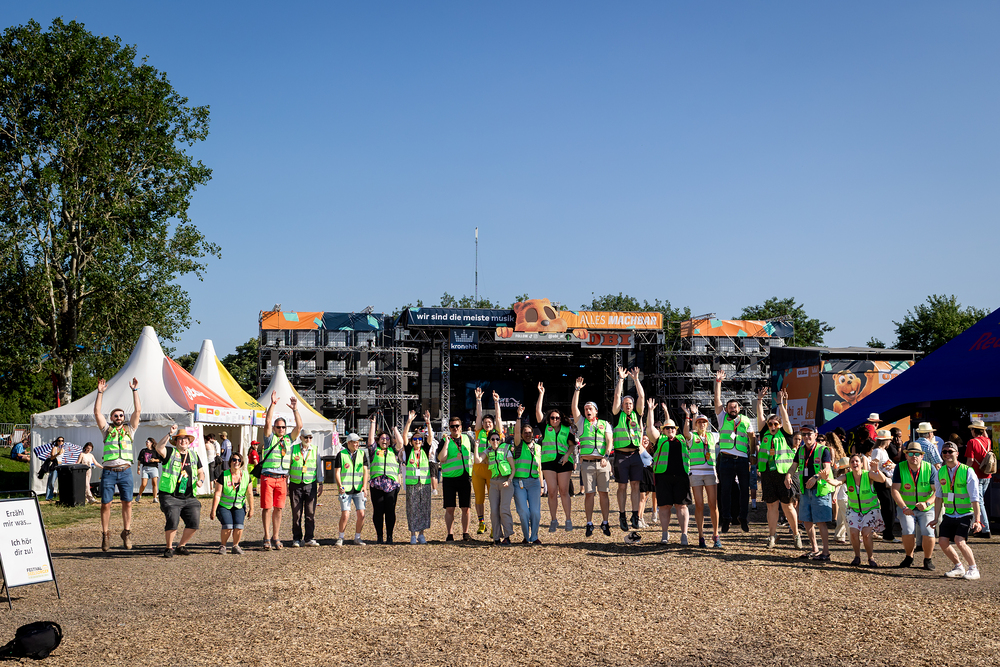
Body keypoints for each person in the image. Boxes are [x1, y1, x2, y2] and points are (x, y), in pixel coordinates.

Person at [94, 377, 141, 552]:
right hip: (109, 471)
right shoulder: (107, 430)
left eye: (121, 415)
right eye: (116, 415)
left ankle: (126, 533)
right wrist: (100, 393)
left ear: (124, 418)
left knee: (127, 503)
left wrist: (134, 391)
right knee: (106, 504)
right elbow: (97, 413)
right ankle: (105, 534)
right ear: (111, 418)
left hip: (125, 471)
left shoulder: (130, 429)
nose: (119, 417)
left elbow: (138, 410)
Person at [754, 388, 801, 550]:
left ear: (780, 425)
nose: (772, 426)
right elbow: (760, 417)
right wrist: (759, 400)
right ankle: (772, 536)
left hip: (784, 474)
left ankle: (796, 535)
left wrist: (781, 404)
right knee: (771, 506)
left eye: (775, 424)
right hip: (768, 474)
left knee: (788, 506)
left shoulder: (786, 434)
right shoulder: (765, 433)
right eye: (770, 424)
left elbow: (786, 421)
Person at [258, 391, 303, 550]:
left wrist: (295, 409)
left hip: (283, 479)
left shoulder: (289, 439)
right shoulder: (270, 438)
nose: (281, 429)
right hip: (268, 477)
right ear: (274, 428)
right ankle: (266, 536)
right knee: (267, 508)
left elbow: (299, 426)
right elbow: (268, 420)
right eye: (279, 427)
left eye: (283, 427)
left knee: (279, 508)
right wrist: (273, 404)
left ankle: (276, 536)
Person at [932, 441, 982, 579]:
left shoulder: (967, 471)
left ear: (957, 454)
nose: (947, 454)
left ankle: (973, 569)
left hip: (965, 513)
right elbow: (938, 497)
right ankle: (958, 566)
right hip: (949, 514)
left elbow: (975, 498)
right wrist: (936, 518)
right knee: (942, 542)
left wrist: (978, 520)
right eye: (944, 452)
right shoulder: (940, 472)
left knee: (959, 541)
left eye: (950, 451)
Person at [713, 371, 755, 534]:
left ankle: (743, 517)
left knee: (744, 490)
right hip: (726, 459)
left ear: (739, 408)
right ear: (726, 409)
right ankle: (726, 518)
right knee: (725, 490)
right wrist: (718, 382)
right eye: (730, 407)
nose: (732, 409)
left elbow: (752, 438)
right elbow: (717, 400)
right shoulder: (722, 418)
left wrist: (753, 455)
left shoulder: (745, 420)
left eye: (735, 407)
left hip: (742, 459)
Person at [154, 426, 205, 558]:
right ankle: (168, 547)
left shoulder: (193, 455)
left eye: (186, 439)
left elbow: (201, 472)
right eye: (180, 439)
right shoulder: (170, 452)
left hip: (189, 496)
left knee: (194, 523)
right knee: (173, 521)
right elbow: (159, 448)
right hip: (170, 495)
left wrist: (201, 480)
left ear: (189, 441)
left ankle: (181, 546)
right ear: (176, 442)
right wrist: (169, 434)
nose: (183, 441)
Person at [646, 400, 690, 545]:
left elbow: (689, 431)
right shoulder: (659, 439)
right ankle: (665, 533)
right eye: (667, 428)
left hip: (681, 477)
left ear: (676, 430)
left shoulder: (682, 439)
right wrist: (650, 411)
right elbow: (649, 428)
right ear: (663, 430)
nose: (670, 429)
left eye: (672, 428)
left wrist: (688, 416)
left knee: (681, 506)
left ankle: (684, 534)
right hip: (663, 477)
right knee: (664, 506)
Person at [572, 378, 613, 538]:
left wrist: (606, 456)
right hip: (587, 464)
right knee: (589, 494)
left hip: (602, 462)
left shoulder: (604, 424)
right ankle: (589, 523)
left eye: (590, 408)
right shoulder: (581, 423)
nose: (587, 411)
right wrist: (577, 390)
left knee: (604, 493)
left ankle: (605, 522)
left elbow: (609, 441)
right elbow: (574, 408)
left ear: (596, 411)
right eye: (585, 409)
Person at [788, 424, 834, 561]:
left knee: (821, 522)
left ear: (815, 435)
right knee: (807, 521)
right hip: (805, 490)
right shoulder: (801, 450)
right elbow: (793, 466)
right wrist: (788, 475)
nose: (806, 437)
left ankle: (826, 552)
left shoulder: (823, 450)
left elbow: (827, 469)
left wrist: (816, 477)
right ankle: (814, 549)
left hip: (820, 490)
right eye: (804, 434)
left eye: (809, 434)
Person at [891, 442, 937, 570]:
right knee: (907, 530)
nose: (914, 456)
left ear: (922, 456)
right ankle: (909, 557)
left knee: (928, 532)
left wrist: (927, 503)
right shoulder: (900, 467)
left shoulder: (930, 468)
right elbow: (895, 490)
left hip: (926, 508)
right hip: (906, 508)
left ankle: (928, 559)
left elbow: (937, 491)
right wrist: (904, 507)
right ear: (906, 455)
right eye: (910, 454)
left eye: (917, 454)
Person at [538, 381, 577, 532]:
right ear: (549, 419)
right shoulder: (545, 428)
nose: (555, 420)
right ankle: (553, 519)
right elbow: (538, 412)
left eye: (557, 418)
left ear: (561, 418)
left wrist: (567, 455)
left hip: (564, 462)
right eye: (552, 418)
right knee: (552, 491)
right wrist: (541, 394)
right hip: (548, 462)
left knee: (564, 491)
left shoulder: (567, 429)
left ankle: (568, 519)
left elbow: (572, 445)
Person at [611, 367, 646, 531]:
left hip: (635, 455)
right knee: (622, 486)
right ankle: (622, 515)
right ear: (622, 405)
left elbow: (642, 396)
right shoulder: (618, 415)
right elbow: (616, 396)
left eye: (630, 403)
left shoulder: (637, 414)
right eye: (625, 404)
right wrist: (621, 379)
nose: (628, 406)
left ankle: (635, 515)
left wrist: (636, 379)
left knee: (636, 485)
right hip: (621, 456)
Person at [681, 404, 720, 548]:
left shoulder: (713, 436)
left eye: (704, 422)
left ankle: (716, 535)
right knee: (699, 505)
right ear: (696, 424)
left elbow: (724, 431)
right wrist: (688, 416)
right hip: (696, 473)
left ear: (707, 424)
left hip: (710, 472)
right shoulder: (693, 436)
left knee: (713, 504)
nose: (702, 424)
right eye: (699, 422)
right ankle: (701, 536)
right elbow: (686, 432)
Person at [838, 453, 885, 567]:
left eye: (857, 461)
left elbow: (882, 479)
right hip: (854, 509)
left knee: (866, 534)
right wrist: (826, 478)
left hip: (870, 509)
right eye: (852, 461)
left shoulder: (868, 474)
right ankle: (857, 556)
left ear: (861, 464)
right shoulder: (847, 476)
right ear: (850, 465)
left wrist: (877, 470)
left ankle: (870, 558)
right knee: (853, 533)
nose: (855, 463)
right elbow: (836, 481)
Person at [367, 414, 403, 544]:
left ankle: (389, 536)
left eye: (387, 439)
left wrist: (395, 430)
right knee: (378, 511)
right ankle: (379, 536)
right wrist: (373, 423)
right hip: (376, 484)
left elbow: (401, 443)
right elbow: (370, 441)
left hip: (391, 485)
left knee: (390, 511)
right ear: (378, 441)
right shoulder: (374, 450)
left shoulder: (394, 450)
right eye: (382, 438)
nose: (385, 441)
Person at [438, 415, 475, 541]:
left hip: (465, 477)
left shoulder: (468, 438)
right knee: (450, 508)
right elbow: (441, 458)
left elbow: (477, 452)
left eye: (457, 426)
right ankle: (450, 534)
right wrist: (446, 443)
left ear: (461, 427)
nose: (455, 428)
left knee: (466, 508)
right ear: (449, 428)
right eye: (452, 426)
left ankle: (466, 533)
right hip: (449, 478)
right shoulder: (445, 440)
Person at [472, 388, 504, 535]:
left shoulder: (496, 434)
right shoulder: (479, 432)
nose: (487, 424)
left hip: (492, 471)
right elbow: (479, 415)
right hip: (479, 470)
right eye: (485, 422)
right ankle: (481, 523)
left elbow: (499, 418)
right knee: (479, 498)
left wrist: (497, 402)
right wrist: (478, 400)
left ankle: (494, 526)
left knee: (494, 500)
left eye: (489, 422)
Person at [478, 426, 515, 545]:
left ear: (500, 440)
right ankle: (496, 537)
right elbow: (478, 460)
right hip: (493, 482)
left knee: (504, 510)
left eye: (497, 439)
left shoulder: (506, 450)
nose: (495, 441)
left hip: (506, 482)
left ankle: (507, 536)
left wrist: (509, 480)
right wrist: (476, 446)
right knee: (494, 511)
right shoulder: (488, 451)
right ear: (489, 441)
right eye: (493, 439)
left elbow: (513, 468)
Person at [210, 452, 253, 554]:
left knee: (239, 526)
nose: (236, 462)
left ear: (241, 462)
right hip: (224, 505)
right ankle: (223, 546)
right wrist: (213, 510)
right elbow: (217, 494)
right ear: (230, 462)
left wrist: (252, 509)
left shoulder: (246, 476)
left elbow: (249, 494)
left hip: (239, 505)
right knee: (228, 526)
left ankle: (235, 546)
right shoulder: (224, 475)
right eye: (234, 460)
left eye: (239, 460)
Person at [511, 407, 543, 545]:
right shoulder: (518, 445)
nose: (527, 435)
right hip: (519, 483)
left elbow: (540, 468)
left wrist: (542, 485)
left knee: (535, 512)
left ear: (533, 434)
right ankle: (526, 536)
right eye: (525, 433)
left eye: (530, 432)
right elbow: (516, 433)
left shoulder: (538, 448)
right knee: (523, 512)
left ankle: (534, 536)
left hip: (534, 483)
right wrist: (519, 416)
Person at [288, 428, 322, 547]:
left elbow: (319, 467)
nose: (308, 439)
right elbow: (288, 466)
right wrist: (287, 483)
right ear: (301, 438)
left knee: (310, 513)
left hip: (310, 484)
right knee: (296, 513)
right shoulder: (293, 449)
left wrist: (321, 483)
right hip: (295, 484)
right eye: (306, 437)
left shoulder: (315, 450)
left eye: (310, 437)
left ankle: (309, 538)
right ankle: (296, 538)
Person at [403, 411, 433, 544]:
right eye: (415, 439)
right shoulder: (409, 450)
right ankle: (413, 534)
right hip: (412, 484)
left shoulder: (425, 450)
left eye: (419, 439)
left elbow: (430, 437)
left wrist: (428, 422)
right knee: (412, 509)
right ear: (412, 441)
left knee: (424, 508)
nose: (417, 441)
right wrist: (409, 422)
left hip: (424, 483)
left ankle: (422, 533)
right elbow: (404, 436)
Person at [335, 433, 369, 545]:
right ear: (349, 443)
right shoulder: (341, 454)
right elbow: (337, 472)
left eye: (358, 442)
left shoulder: (362, 454)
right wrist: (340, 485)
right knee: (345, 514)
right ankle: (341, 537)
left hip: (359, 488)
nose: (357, 444)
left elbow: (365, 471)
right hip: (346, 489)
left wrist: (364, 486)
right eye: (355, 442)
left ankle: (357, 537)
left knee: (361, 514)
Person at [965, 419, 993, 539]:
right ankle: (979, 527)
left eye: (971, 429)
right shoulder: (988, 441)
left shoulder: (971, 442)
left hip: (976, 475)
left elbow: (970, 460)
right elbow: (986, 437)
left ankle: (985, 529)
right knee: (979, 501)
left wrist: (964, 472)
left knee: (978, 502)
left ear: (973, 430)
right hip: (987, 474)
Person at [870, 430, 897, 543]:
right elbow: (874, 466)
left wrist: (892, 466)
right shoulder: (877, 451)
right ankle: (888, 534)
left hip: (886, 479)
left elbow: (886, 464)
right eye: (889, 439)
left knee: (890, 507)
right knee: (888, 507)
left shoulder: (883, 451)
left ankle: (888, 533)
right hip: (881, 480)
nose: (890, 441)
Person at [136, 437, 161, 503]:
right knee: (144, 484)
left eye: (148, 442)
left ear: (151, 443)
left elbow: (160, 460)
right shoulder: (143, 451)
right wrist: (138, 468)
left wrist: (154, 460)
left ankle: (155, 498)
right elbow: (139, 460)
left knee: (154, 483)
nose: (146, 443)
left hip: (154, 468)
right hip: (145, 468)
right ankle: (139, 495)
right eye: (146, 442)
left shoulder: (155, 451)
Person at [832, 457, 850, 544]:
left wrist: (835, 496)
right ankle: (852, 537)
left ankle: (839, 536)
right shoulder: (844, 476)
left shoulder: (840, 475)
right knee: (848, 518)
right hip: (844, 499)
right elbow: (837, 487)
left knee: (841, 519)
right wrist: (834, 495)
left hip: (841, 499)